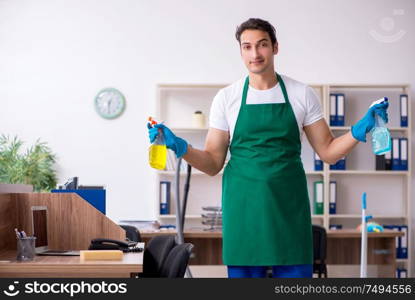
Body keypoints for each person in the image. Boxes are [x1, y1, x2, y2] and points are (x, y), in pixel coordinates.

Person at [147, 18, 389, 278]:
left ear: (275, 47)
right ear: (240, 51)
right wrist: (180, 146)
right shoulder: (227, 98)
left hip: (288, 207)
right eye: (247, 47)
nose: (255, 53)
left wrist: (358, 129)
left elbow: (328, 152)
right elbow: (213, 162)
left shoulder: (301, 94)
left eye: (262, 45)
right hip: (243, 209)